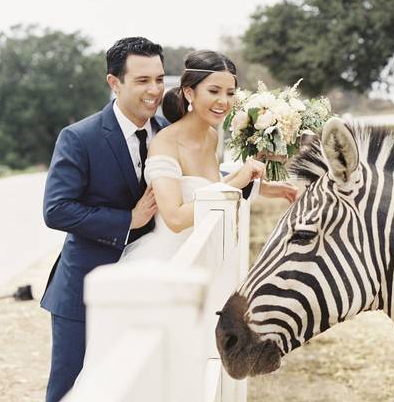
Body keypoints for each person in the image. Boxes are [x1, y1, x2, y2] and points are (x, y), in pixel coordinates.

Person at [41, 37, 166, 402]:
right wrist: (128, 220)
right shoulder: (80, 137)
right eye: (143, 80)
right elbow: (56, 210)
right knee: (67, 397)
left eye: (160, 79)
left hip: (142, 286)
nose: (155, 90)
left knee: (123, 395)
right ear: (114, 82)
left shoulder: (166, 130)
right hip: (83, 290)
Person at [119, 49, 296, 262]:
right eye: (214, 91)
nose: (223, 101)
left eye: (230, 93)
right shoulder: (165, 144)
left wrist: (260, 186)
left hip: (211, 251)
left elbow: (207, 190)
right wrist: (236, 183)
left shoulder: (211, 136)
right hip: (175, 259)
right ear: (189, 93)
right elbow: (174, 219)